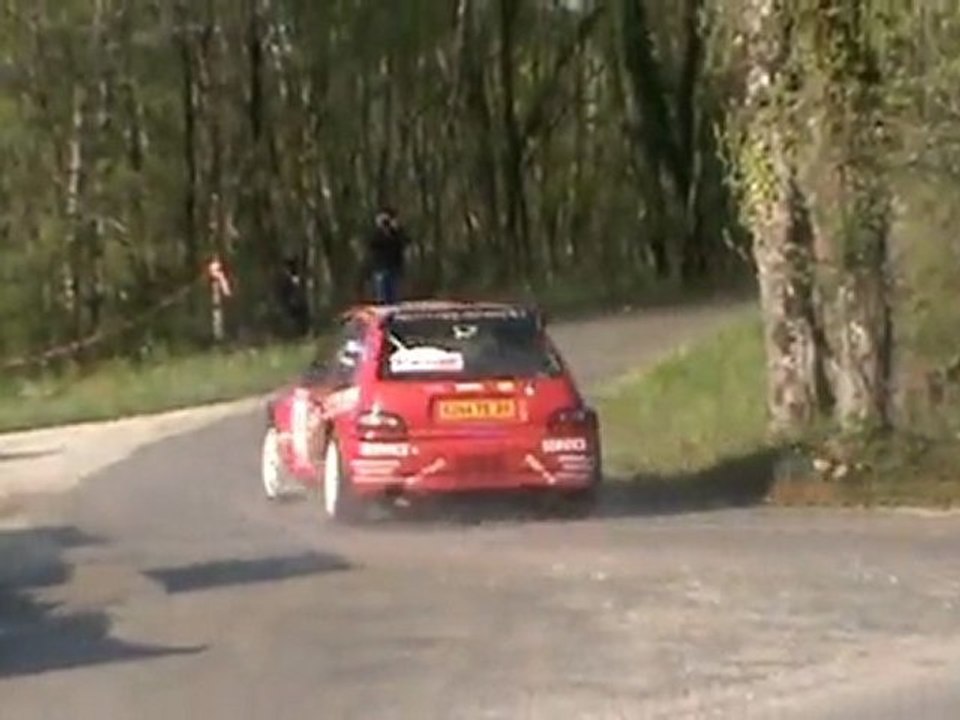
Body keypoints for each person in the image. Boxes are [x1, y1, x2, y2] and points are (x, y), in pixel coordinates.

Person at [364, 207, 410, 304]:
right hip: (380, 267)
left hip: (394, 266)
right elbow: (372, 245)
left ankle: (394, 312)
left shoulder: (397, 233)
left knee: (394, 295)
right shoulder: (376, 234)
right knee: (382, 296)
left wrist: (395, 230)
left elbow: (405, 242)